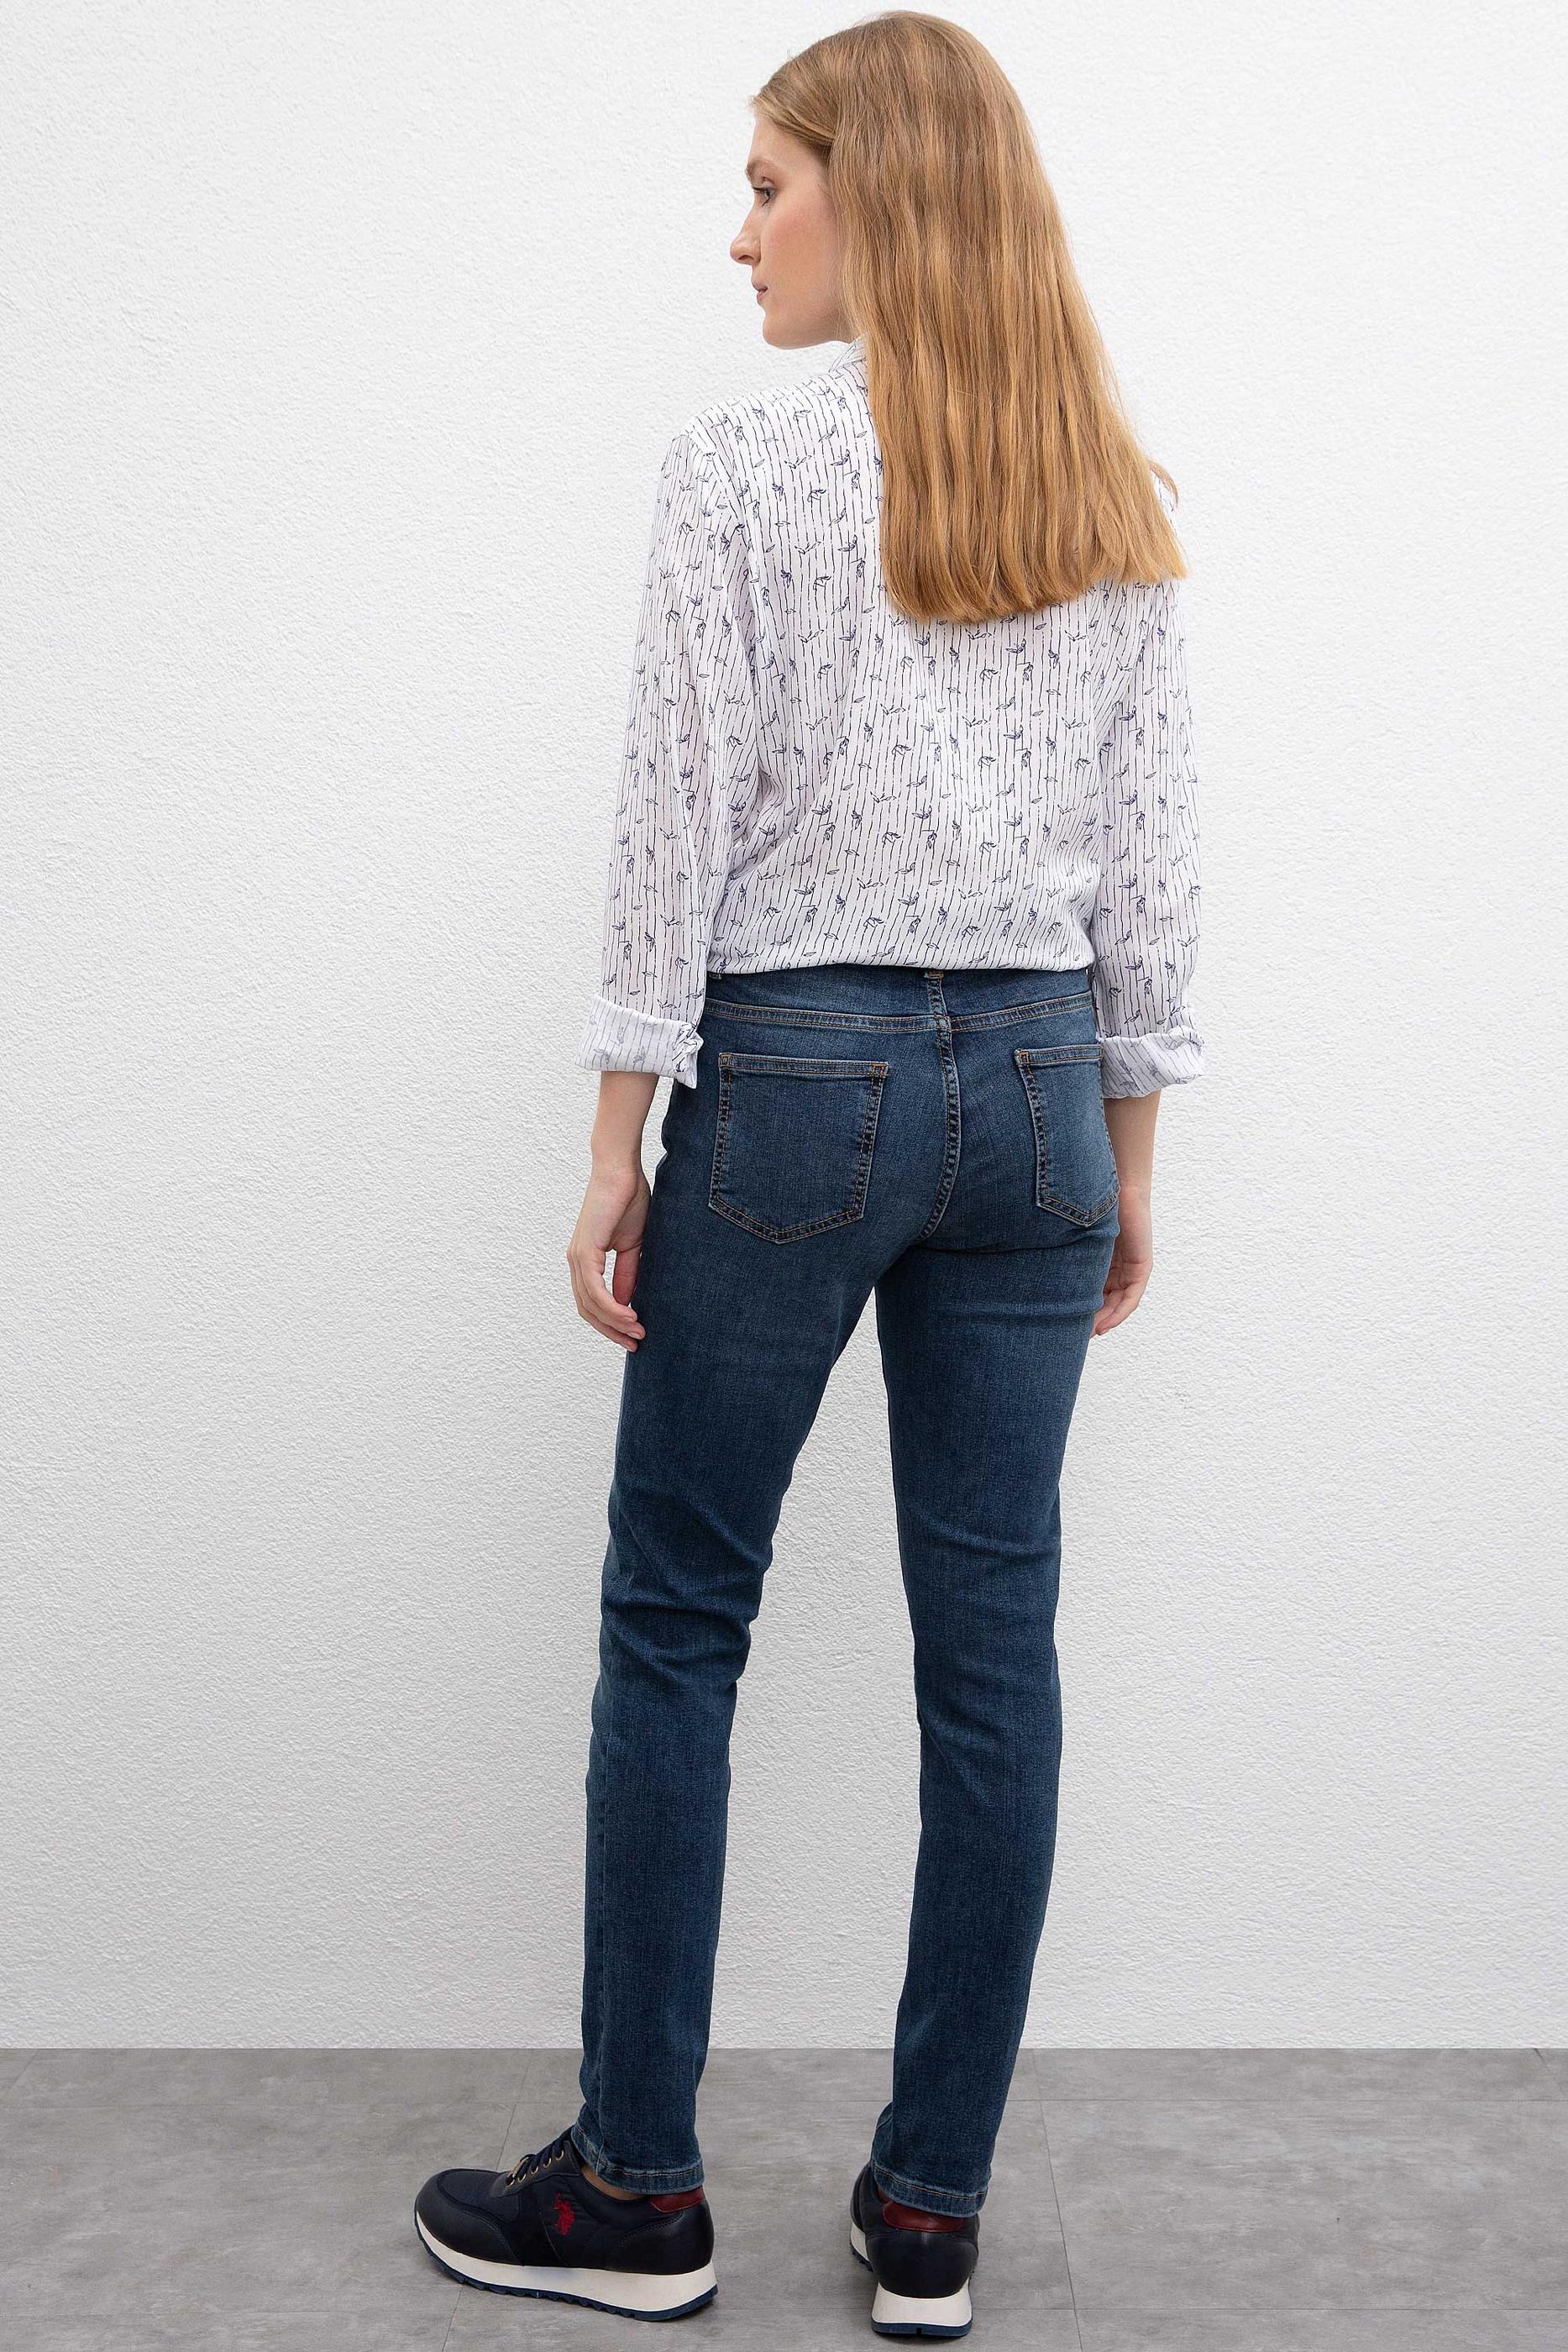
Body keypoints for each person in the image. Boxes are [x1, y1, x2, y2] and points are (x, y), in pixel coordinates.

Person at [415, 10, 1204, 2335]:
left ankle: (636, 2194)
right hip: (1038, 1096)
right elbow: (1153, 862)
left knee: (680, 1615)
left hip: (795, 1083)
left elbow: (673, 811)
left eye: (768, 183)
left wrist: (613, 1134)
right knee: (997, 1654)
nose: (739, 232)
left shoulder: (744, 469)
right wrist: (1126, 1150)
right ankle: (930, 2210)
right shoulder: (1103, 492)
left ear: (883, 192)